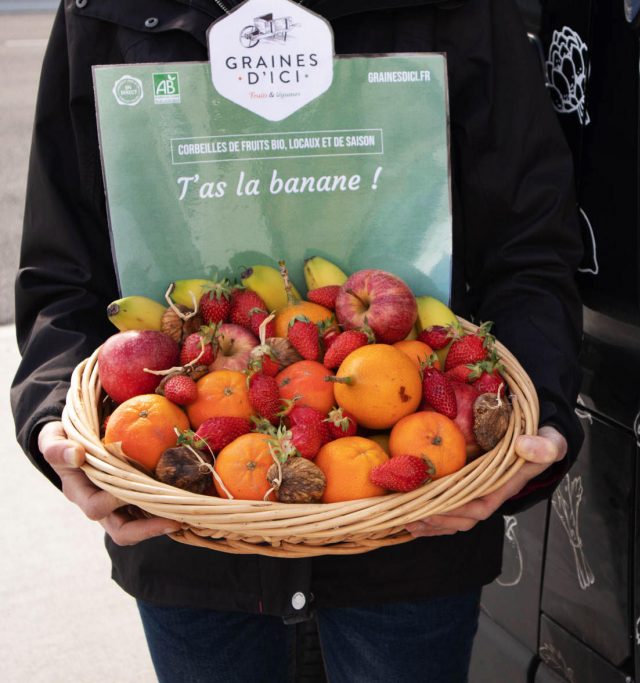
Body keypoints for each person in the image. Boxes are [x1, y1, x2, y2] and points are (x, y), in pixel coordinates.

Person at [12, 0, 584, 681]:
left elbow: (530, 250)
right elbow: (62, 275)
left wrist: (536, 415)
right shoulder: (102, 8)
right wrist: (55, 422)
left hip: (412, 540)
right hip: (191, 541)